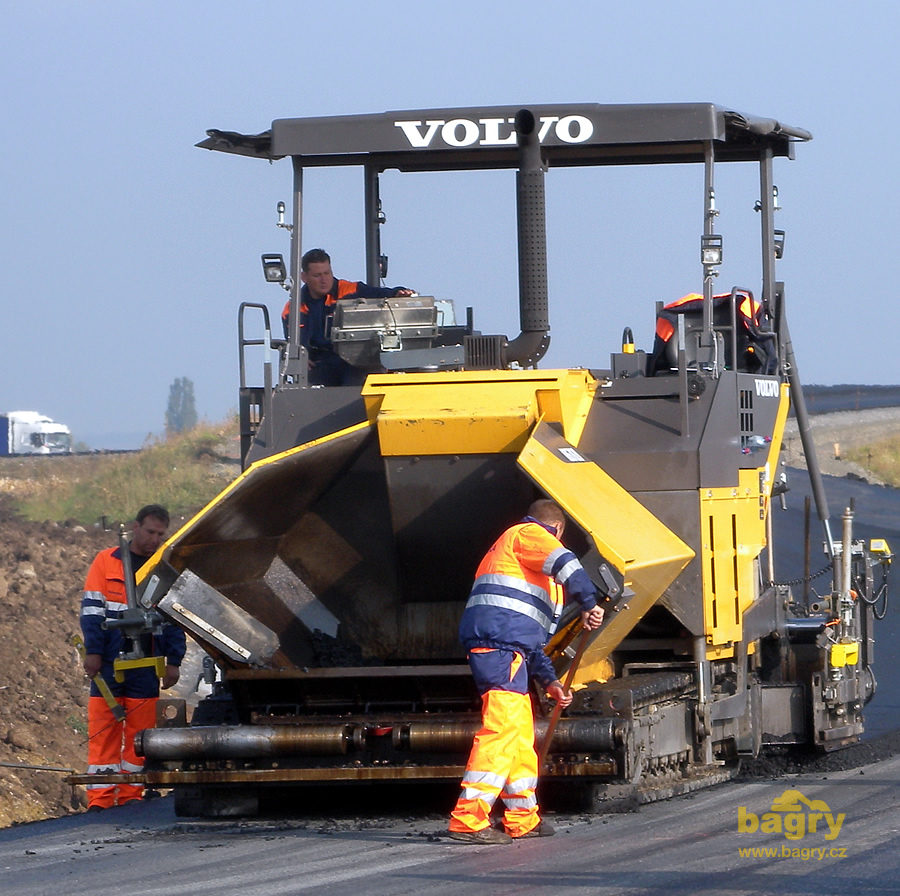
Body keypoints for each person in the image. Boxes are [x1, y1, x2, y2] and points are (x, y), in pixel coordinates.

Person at [448, 499, 604, 844]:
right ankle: (468, 819)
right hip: (499, 649)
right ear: (558, 529)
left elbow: (532, 644)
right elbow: (567, 563)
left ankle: (522, 817)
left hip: (510, 650)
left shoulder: (527, 570)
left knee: (519, 737)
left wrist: (551, 683)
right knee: (502, 732)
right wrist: (590, 604)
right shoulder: (528, 534)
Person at [79, 504, 186, 810]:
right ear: (136, 527)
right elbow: (92, 612)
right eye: (150, 531)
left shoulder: (161, 568)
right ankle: (99, 800)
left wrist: (174, 661)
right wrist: (94, 652)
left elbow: (172, 617)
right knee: (103, 731)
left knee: (140, 736)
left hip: (145, 666)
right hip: (109, 664)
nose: (154, 538)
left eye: (160, 534)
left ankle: (131, 797)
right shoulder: (106, 562)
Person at [281, 247, 416, 386]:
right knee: (316, 385)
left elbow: (380, 293)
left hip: (355, 360)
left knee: (359, 384)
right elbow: (295, 343)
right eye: (317, 275)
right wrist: (300, 356)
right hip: (321, 363)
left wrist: (398, 293)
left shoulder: (349, 290)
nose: (324, 280)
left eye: (327, 273)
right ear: (304, 278)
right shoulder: (294, 308)